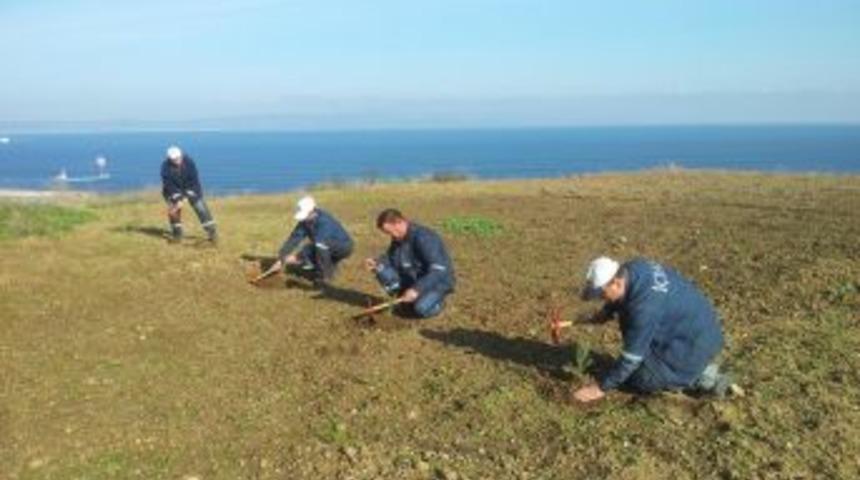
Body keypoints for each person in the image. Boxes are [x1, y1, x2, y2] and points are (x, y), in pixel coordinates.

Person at [573, 256, 738, 403]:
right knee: (634, 328)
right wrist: (605, 313)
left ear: (616, 282)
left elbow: (631, 358)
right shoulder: (635, 267)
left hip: (694, 345)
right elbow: (624, 296)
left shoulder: (643, 309)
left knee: (639, 378)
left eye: (602, 295)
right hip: (701, 328)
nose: (601, 299)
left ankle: (702, 378)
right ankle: (694, 365)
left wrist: (601, 388)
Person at [365, 208, 455, 318]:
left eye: (390, 231)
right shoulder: (398, 238)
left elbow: (438, 270)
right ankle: (402, 297)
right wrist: (377, 263)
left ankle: (438, 303)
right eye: (388, 233)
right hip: (413, 277)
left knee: (420, 309)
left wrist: (417, 289)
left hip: (436, 283)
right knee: (382, 270)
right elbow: (391, 258)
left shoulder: (424, 237)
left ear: (400, 222)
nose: (391, 235)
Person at [256, 196, 353, 287]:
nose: (303, 219)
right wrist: (282, 258)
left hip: (343, 247)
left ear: (312, 212)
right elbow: (294, 238)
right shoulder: (305, 222)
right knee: (309, 249)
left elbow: (319, 244)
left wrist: (296, 258)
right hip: (325, 245)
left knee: (318, 247)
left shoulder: (324, 222)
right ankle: (329, 267)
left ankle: (324, 278)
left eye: (305, 215)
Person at [160, 145, 217, 243]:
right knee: (174, 212)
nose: (177, 160)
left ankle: (212, 234)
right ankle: (177, 235)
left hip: (192, 190)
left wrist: (186, 196)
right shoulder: (165, 167)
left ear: (181, 155)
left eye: (178, 158)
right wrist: (178, 199)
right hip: (173, 192)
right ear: (169, 159)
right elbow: (168, 185)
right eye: (174, 159)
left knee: (201, 209)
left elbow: (194, 181)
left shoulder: (189, 162)